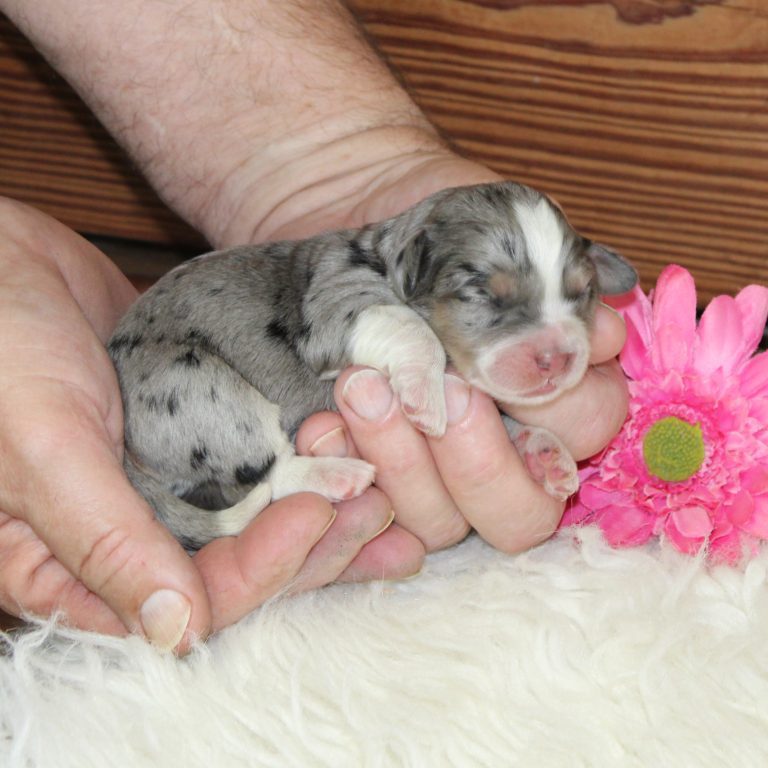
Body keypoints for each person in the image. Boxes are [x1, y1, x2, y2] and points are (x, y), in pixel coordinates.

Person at [0, 0, 629, 652]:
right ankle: (264, 489)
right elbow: (343, 334)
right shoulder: (357, 276)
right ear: (415, 263)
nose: (554, 345)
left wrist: (517, 430)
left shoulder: (418, 274)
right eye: (491, 299)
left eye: (577, 298)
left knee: (437, 424)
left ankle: (293, 485)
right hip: (184, 375)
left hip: (237, 412)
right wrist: (407, 349)